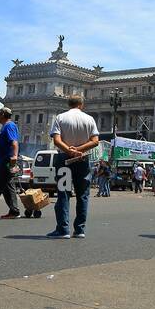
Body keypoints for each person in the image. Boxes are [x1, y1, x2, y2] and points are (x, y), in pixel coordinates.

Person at [48, 96, 99, 239]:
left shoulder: (61, 117)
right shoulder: (89, 119)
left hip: (64, 158)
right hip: (82, 159)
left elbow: (56, 140)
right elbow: (95, 141)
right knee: (83, 195)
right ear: (81, 105)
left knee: (63, 193)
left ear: (68, 104)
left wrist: (69, 150)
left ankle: (63, 229)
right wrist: (79, 149)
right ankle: (80, 230)